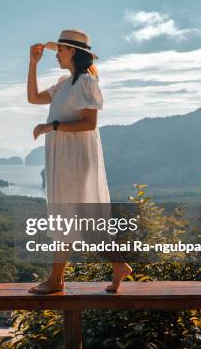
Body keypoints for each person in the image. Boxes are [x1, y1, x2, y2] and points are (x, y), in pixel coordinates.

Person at [26, 29, 132, 294]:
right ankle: (58, 279)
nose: (56, 55)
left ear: (72, 51)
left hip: (77, 158)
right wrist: (32, 64)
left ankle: (63, 278)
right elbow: (33, 98)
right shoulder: (65, 82)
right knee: (64, 216)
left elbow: (89, 123)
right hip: (62, 157)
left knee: (82, 218)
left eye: (60, 50)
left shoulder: (86, 81)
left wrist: (52, 126)